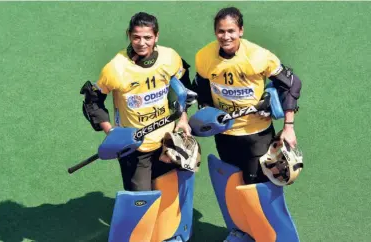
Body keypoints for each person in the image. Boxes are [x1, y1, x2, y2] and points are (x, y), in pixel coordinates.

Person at [80, 12, 197, 242]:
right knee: (141, 202)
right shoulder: (115, 68)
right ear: (129, 36)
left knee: (168, 195)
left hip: (168, 143)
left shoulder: (170, 57)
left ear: (156, 36)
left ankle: (168, 237)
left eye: (147, 37)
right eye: (136, 37)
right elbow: (92, 102)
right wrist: (112, 132)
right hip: (136, 149)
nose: (142, 43)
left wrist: (182, 118)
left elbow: (182, 86)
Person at [189, 7, 302, 241]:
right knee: (234, 182)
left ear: (241, 30)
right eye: (221, 31)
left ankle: (267, 235)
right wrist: (208, 112)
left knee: (258, 189)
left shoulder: (259, 56)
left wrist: (289, 126)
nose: (226, 36)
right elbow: (202, 88)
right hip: (225, 134)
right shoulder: (204, 57)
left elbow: (291, 84)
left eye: (231, 31)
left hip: (257, 135)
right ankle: (243, 231)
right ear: (215, 32)